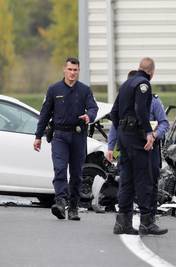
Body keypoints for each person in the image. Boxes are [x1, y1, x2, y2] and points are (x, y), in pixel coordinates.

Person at [33, 57, 98, 221]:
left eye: (75, 70)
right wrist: (38, 136)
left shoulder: (84, 90)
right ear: (64, 70)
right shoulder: (54, 89)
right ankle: (60, 202)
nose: (72, 73)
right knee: (60, 169)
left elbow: (93, 107)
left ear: (78, 71)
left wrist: (89, 116)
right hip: (60, 136)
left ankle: (74, 207)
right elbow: (45, 113)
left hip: (78, 136)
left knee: (76, 174)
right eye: (70, 69)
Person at [110, 57, 168, 235]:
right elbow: (141, 110)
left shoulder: (126, 84)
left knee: (126, 179)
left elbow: (114, 112)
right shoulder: (144, 84)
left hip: (124, 137)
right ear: (152, 72)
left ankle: (122, 222)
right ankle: (146, 222)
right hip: (136, 137)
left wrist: (121, 130)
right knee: (144, 178)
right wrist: (148, 133)